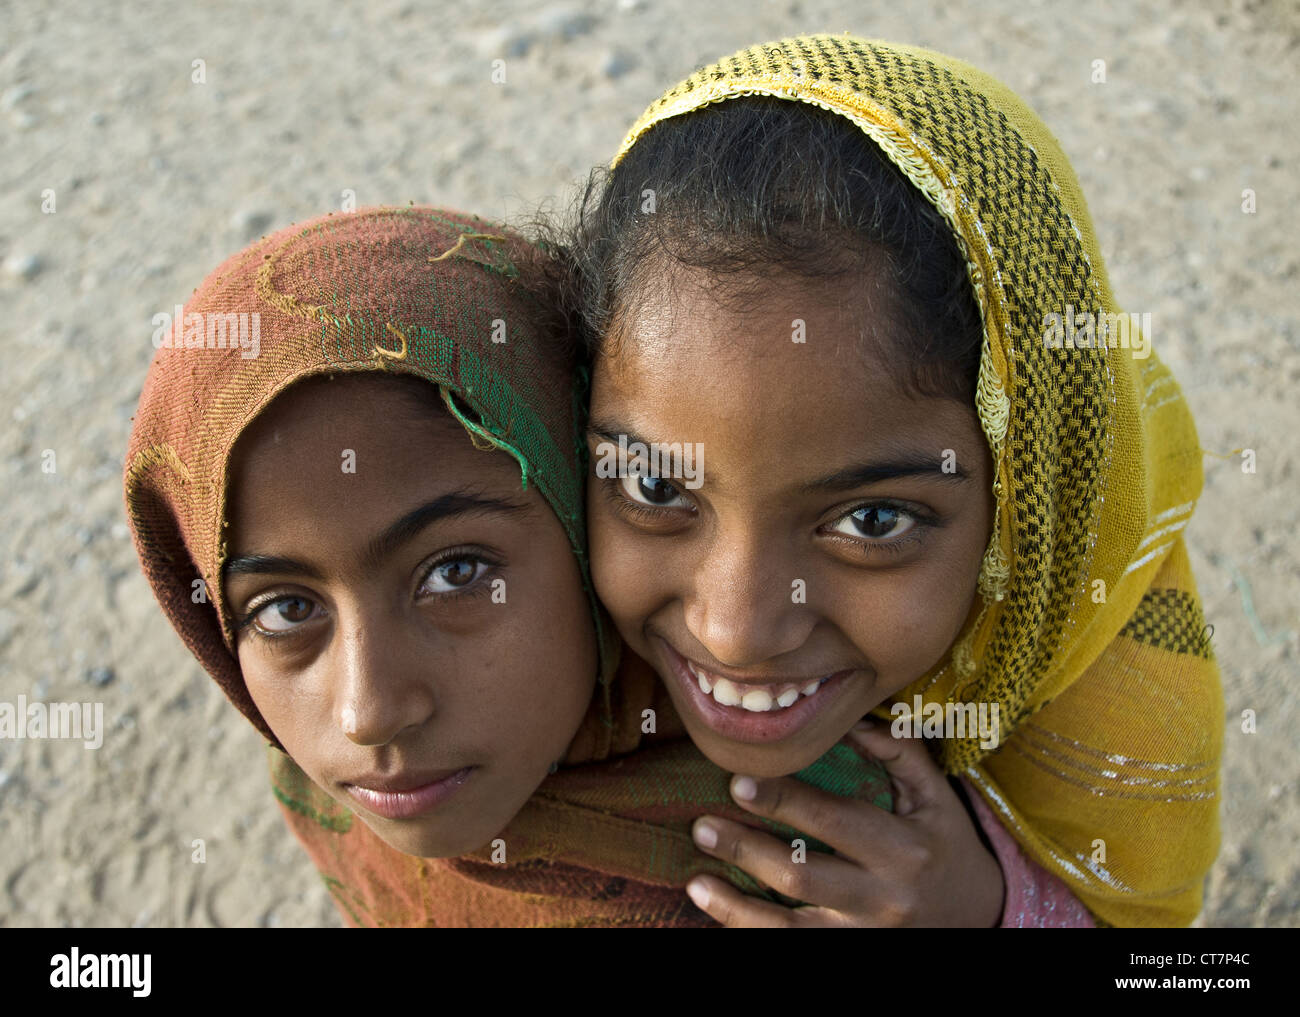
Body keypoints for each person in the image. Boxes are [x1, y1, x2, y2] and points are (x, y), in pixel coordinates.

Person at [572, 34, 1222, 927]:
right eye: (655, 492)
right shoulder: (521, 595)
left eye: (873, 519)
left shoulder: (1126, 717)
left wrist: (989, 908)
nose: (738, 629)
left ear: (1027, 506)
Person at [124, 205, 893, 926]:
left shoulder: (861, 842)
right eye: (287, 609)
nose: (370, 711)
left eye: (455, 573)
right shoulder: (318, 792)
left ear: (591, 522)